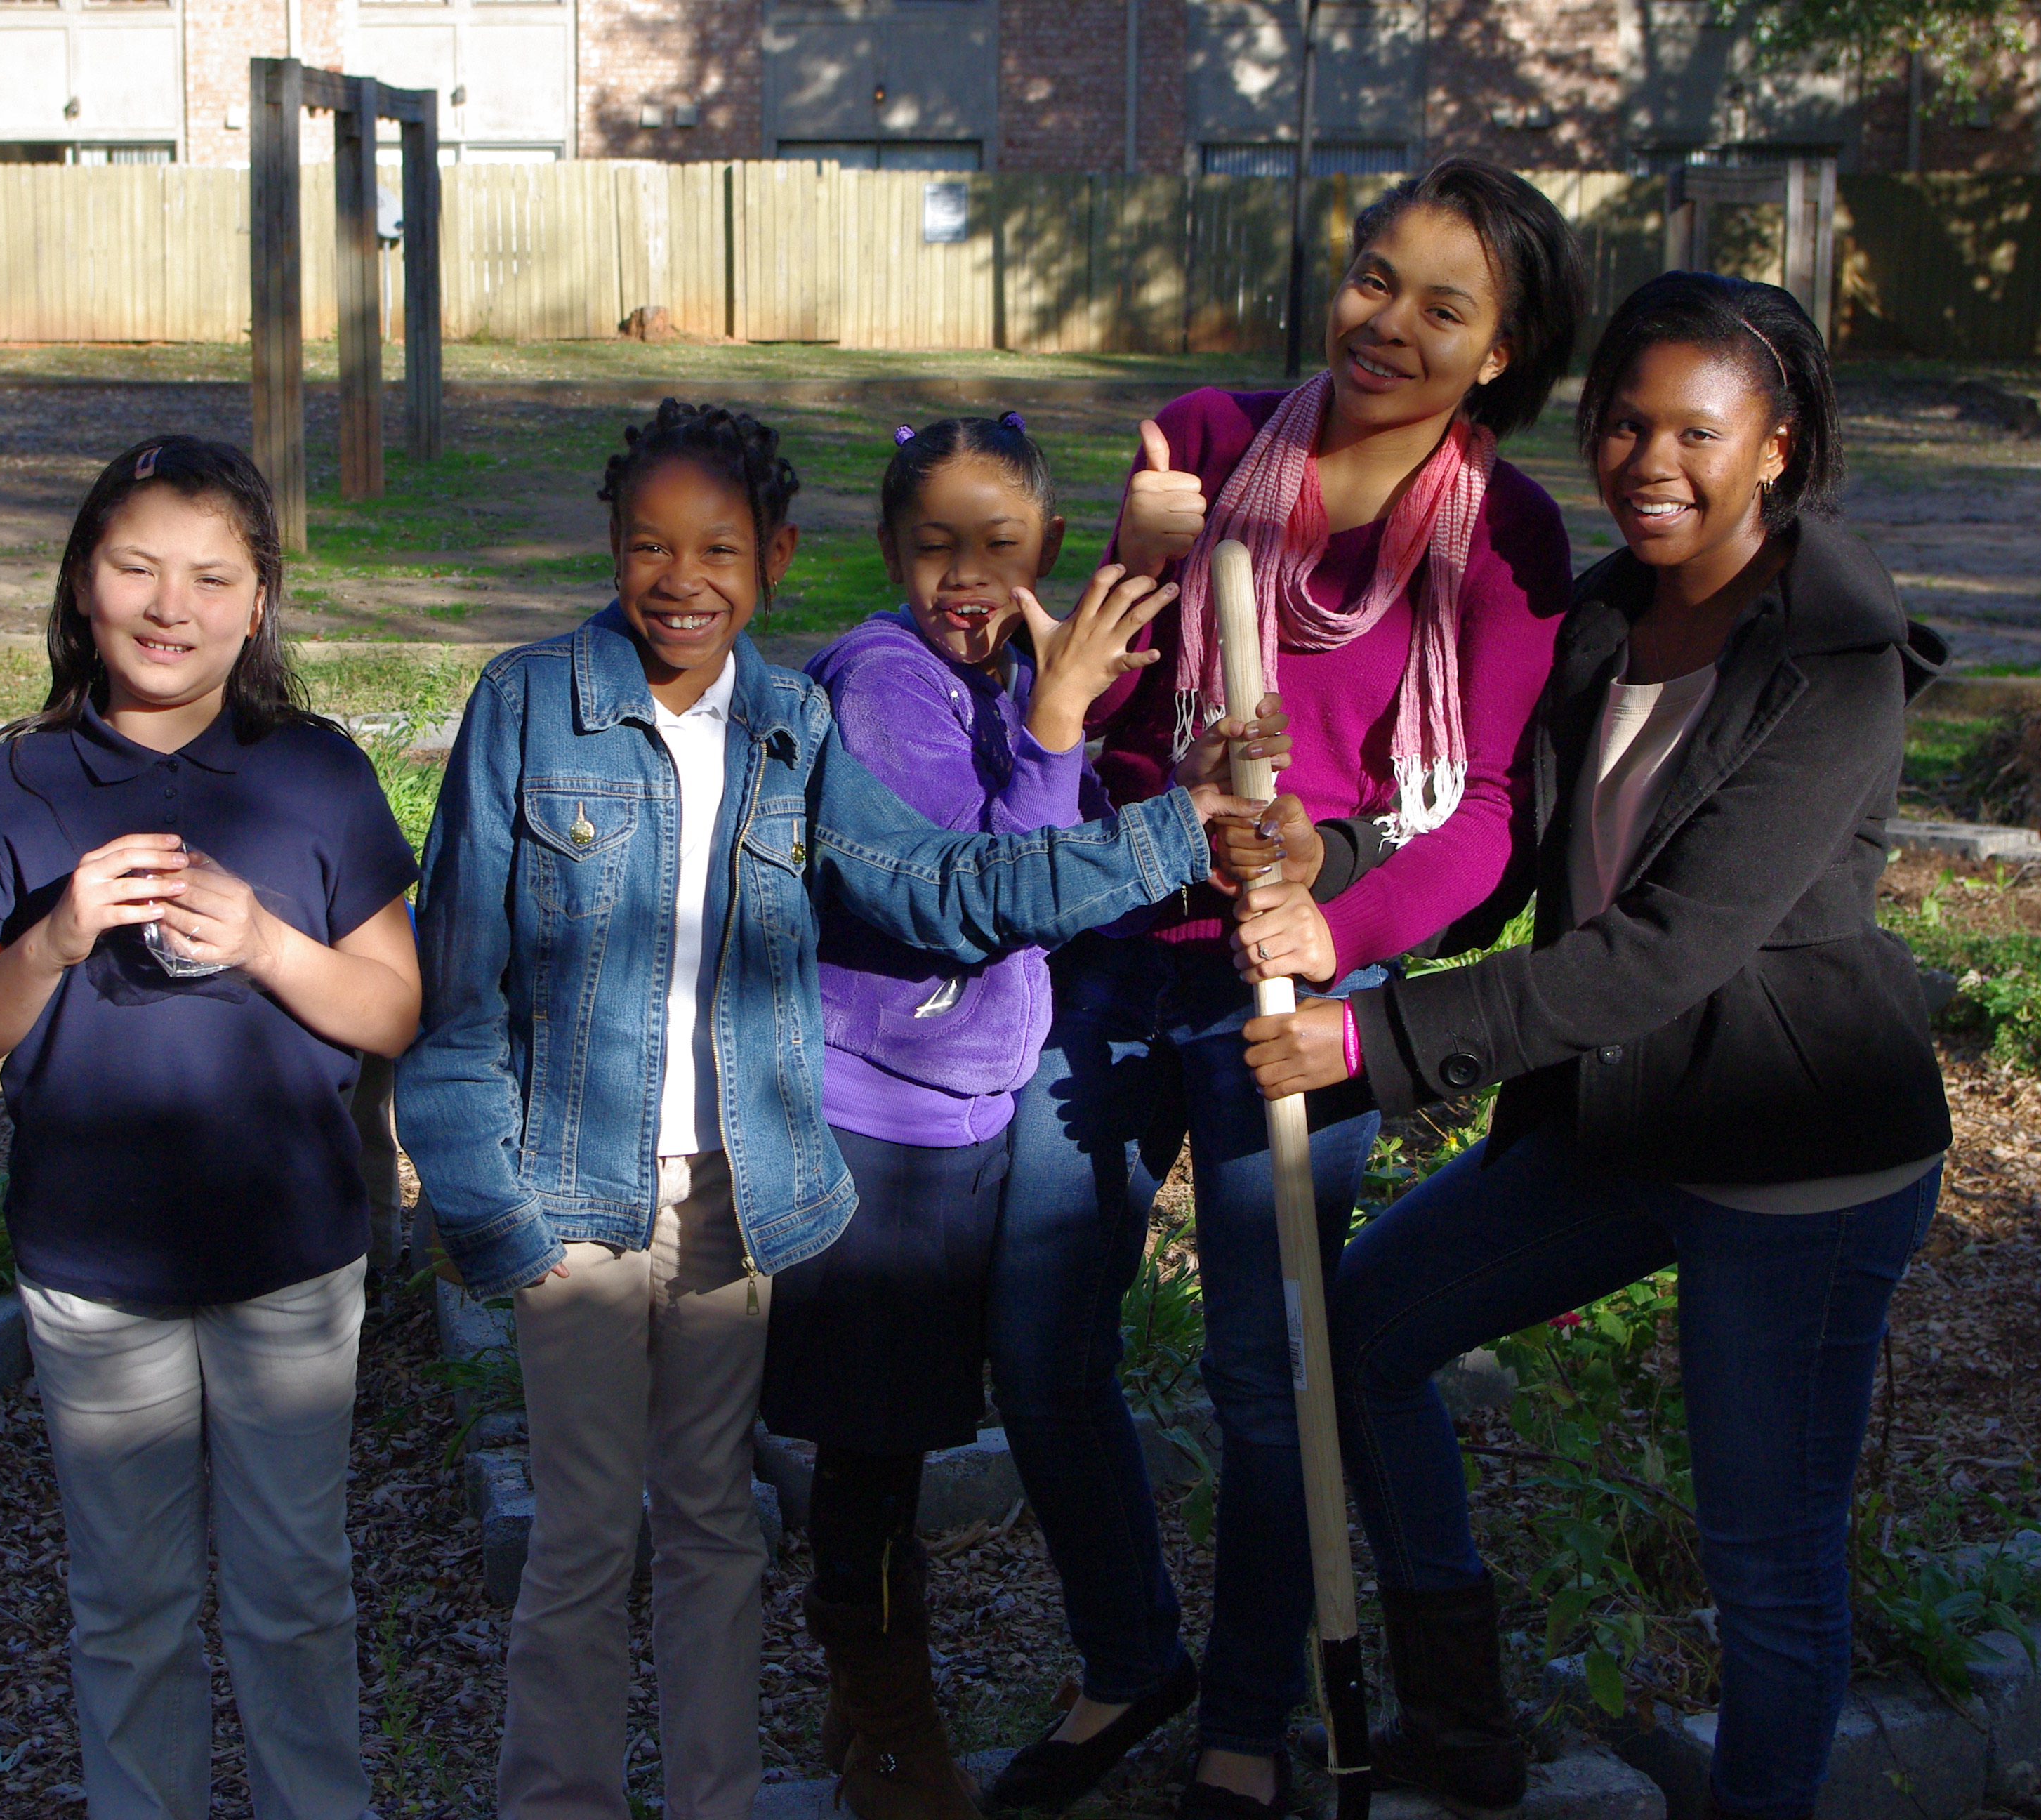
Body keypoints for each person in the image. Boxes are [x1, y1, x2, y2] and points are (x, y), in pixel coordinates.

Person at [395, 398, 1255, 1820]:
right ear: (610, 545)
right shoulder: (527, 705)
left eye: (719, 549)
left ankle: (715, 1798)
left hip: (742, 1190)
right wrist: (488, 1209)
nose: (683, 580)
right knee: (586, 1539)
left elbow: (940, 885)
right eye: (650, 546)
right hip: (576, 1196)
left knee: (715, 1532)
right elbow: (459, 975)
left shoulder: (790, 729)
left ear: (777, 557)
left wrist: (1175, 830)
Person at [1240, 270, 1950, 1820]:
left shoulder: (1835, 658)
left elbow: (1667, 949)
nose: (1650, 463)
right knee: (1366, 1332)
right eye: (1625, 425)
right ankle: (1459, 1718)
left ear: (1774, 445)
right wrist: (1330, 872)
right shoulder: (1609, 615)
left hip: (1795, 1154)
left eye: (1697, 432)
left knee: (1765, 1562)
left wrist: (1375, 1039)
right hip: (1627, 1116)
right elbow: (1508, 839)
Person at [986, 155, 1590, 1819]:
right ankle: (1128, 1659)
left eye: (1442, 307)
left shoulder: (1508, 539)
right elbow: (1093, 718)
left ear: (1499, 352)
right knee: (1038, 1338)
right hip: (1116, 955)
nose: (1386, 322)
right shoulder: (1199, 446)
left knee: (1270, 1373)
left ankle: (1248, 1717)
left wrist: (1336, 921)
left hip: (1297, 996)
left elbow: (1482, 814)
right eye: (1373, 276)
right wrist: (1136, 563)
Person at [760, 414, 1293, 1820]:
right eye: (932, 545)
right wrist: (1060, 726)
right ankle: (887, 1731)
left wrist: (1164, 778)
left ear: (1046, 546)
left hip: (962, 1119)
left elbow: (1066, 855)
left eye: (997, 544)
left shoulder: (1003, 669)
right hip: (875, 1122)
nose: (965, 574)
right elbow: (983, 892)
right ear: (889, 549)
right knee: (867, 1451)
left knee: (902, 1430)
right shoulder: (882, 680)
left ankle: (881, 1703)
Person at [0, 436, 421, 1820]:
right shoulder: (18, 781)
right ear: (83, 581)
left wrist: (265, 942)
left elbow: (392, 1009)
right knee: (127, 1608)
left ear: (258, 605)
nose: (169, 605)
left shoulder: (314, 774)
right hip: (95, 1268)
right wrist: (52, 938)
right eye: (136, 568)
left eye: (210, 577)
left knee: (296, 1596)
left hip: (290, 1257)